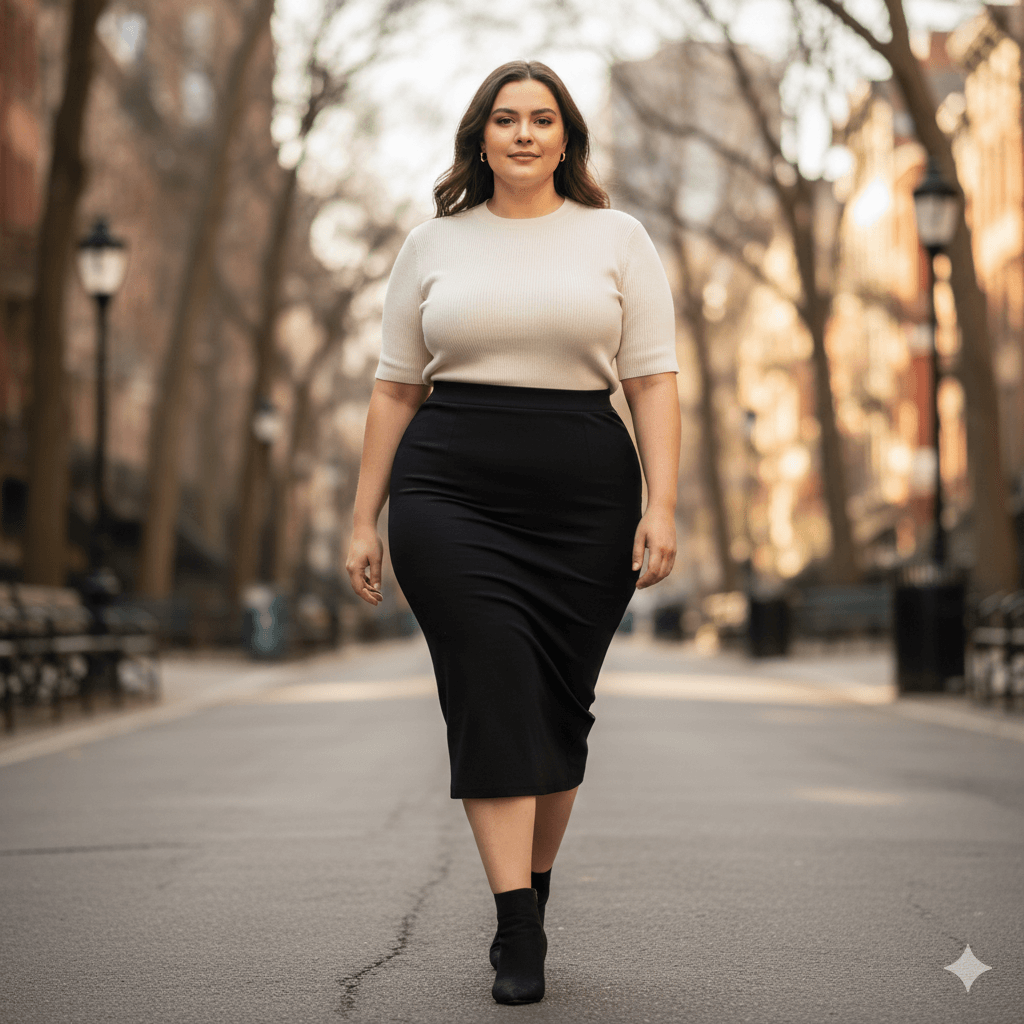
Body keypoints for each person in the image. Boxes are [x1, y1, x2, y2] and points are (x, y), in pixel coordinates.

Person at [345, 59, 681, 1006]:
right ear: (481, 137)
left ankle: (530, 888)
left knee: (558, 706)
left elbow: (652, 378)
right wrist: (362, 517)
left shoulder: (619, 238)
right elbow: (393, 388)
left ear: (565, 136)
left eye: (542, 119)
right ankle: (517, 927)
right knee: (492, 679)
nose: (524, 134)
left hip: (586, 497)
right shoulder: (432, 243)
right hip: (447, 487)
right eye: (506, 119)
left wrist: (665, 503)